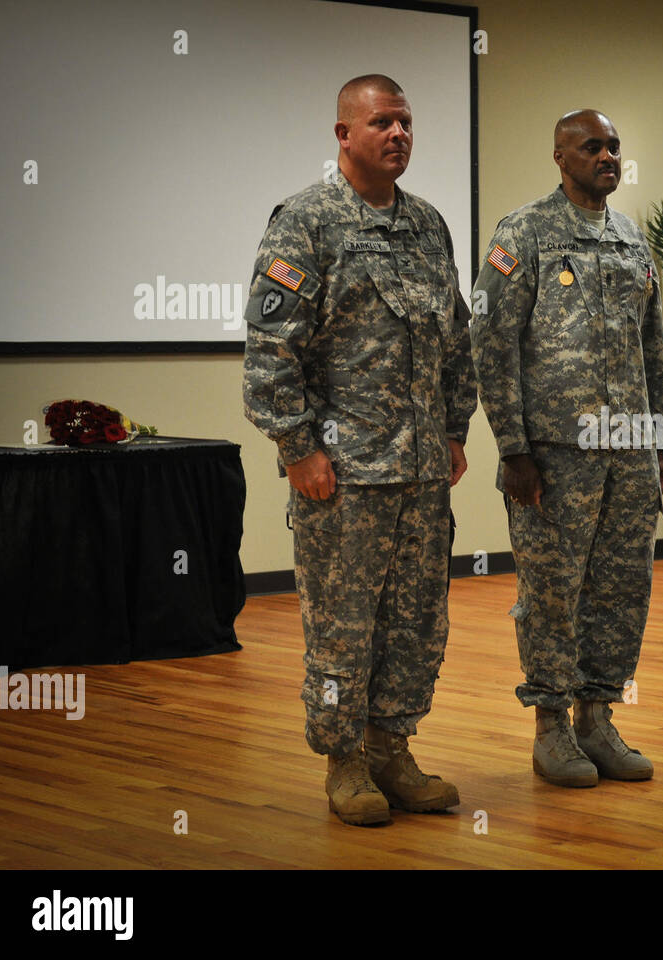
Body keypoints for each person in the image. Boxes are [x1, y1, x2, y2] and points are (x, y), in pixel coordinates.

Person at [242, 74, 476, 826]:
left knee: (416, 625)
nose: (398, 135)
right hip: (343, 477)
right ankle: (344, 764)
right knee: (343, 628)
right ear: (343, 134)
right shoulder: (305, 223)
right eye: (381, 122)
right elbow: (271, 349)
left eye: (406, 122)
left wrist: (453, 431)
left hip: (419, 475)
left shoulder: (429, 226)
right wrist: (297, 448)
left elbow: (456, 337)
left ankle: (391, 750)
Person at [471, 109, 663, 787]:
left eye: (615, 146)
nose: (608, 156)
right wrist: (512, 446)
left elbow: (655, 350)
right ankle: (551, 729)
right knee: (553, 591)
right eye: (593, 146)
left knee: (621, 588)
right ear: (561, 156)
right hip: (555, 456)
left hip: (630, 451)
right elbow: (491, 344)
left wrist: (661, 443)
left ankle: (597, 718)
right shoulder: (523, 233)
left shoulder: (631, 240)